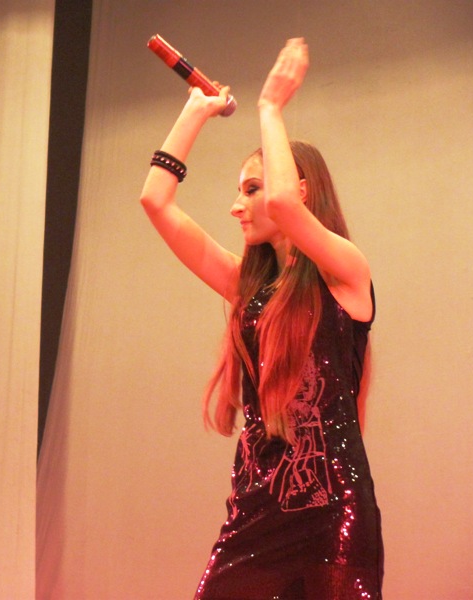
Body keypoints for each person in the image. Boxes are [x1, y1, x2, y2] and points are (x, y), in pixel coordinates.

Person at [140, 38, 383, 599]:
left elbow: (282, 205)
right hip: (253, 512)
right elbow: (156, 200)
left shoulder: (346, 274)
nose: (237, 206)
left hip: (332, 515)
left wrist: (270, 107)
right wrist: (195, 111)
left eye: (250, 189)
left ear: (301, 189)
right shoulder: (246, 288)